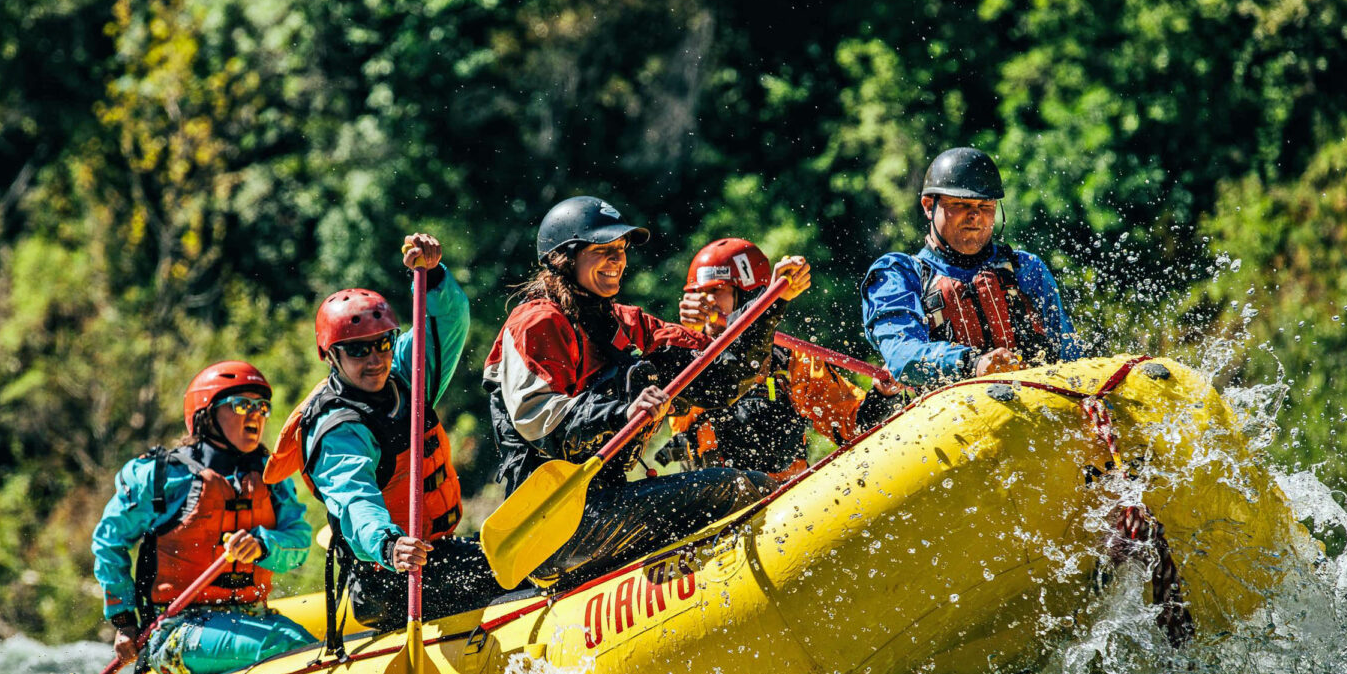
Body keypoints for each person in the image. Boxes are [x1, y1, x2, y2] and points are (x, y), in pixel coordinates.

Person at [483, 196, 810, 586]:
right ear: (563, 259)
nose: (617, 260)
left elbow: (719, 377)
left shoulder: (629, 324)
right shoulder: (536, 322)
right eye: (603, 250)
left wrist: (770, 304)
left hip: (609, 505)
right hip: (552, 527)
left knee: (743, 483)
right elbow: (545, 427)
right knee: (741, 487)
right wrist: (622, 410)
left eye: (620, 250)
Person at [267, 234, 500, 629]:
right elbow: (355, 500)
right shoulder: (335, 428)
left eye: (383, 343)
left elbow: (447, 320)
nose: (374, 358)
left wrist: (432, 274)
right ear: (330, 355)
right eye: (357, 350)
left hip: (434, 552)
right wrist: (389, 544)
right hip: (387, 579)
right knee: (506, 579)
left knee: (525, 562)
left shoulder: (407, 375)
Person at [91, 361, 316, 674]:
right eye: (241, 405)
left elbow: (299, 542)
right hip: (175, 630)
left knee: (309, 648)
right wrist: (124, 621)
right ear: (205, 415)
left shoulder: (271, 476)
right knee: (285, 644)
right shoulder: (160, 476)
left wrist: (264, 545)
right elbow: (108, 542)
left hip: (252, 616)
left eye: (262, 407)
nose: (255, 414)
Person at [664, 237, 897, 481]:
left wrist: (883, 395)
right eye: (698, 293)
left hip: (785, 502)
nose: (706, 301)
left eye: (715, 290)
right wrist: (689, 334)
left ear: (748, 296)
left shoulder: (791, 362)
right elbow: (688, 406)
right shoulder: (685, 357)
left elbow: (852, 427)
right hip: (718, 503)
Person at [860, 147, 1083, 387]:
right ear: (928, 206)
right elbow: (903, 354)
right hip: (949, 414)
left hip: (1033, 404)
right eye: (960, 204)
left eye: (985, 206)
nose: (975, 216)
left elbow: (1069, 353)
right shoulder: (898, 274)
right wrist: (973, 363)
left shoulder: (1026, 268)